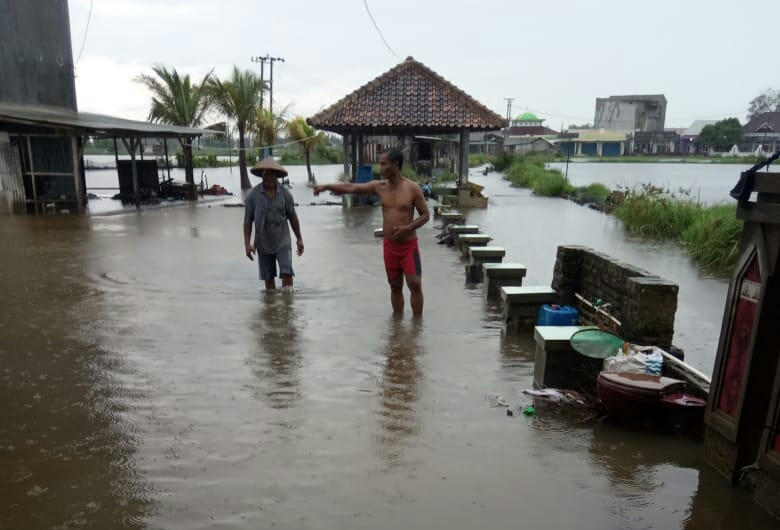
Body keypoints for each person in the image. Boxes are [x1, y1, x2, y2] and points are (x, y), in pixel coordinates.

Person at [313, 149, 430, 316]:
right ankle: (397, 327)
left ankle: (417, 328)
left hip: (408, 245)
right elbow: (351, 187)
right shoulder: (379, 187)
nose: (380, 168)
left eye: (383, 164)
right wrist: (326, 186)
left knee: (415, 284)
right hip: (389, 246)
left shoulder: (412, 188)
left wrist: (408, 228)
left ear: (395, 165)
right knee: (395, 285)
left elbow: (425, 215)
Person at [244, 157, 304, 290]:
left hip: (282, 239)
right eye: (266, 174)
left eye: (272, 174)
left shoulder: (285, 194)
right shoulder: (253, 195)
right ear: (262, 176)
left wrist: (299, 239)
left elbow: (293, 217)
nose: (269, 177)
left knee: (286, 271)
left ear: (277, 176)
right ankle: (271, 307)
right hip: (263, 241)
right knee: (268, 276)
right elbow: (248, 221)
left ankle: (287, 305)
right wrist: (247, 244)